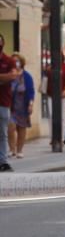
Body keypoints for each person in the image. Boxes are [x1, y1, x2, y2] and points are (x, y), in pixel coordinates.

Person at [0, 34, 23, 171]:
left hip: (3, 102)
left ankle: (2, 160)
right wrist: (4, 78)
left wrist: (5, 78)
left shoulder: (8, 61)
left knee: (3, 132)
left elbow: (14, 75)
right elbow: (10, 76)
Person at [7, 53, 34, 158]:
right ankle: (11, 149)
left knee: (21, 128)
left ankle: (19, 150)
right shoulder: (10, 74)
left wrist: (30, 104)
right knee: (11, 127)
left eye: (17, 61)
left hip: (23, 105)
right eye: (13, 61)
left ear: (21, 63)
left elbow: (31, 92)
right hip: (11, 106)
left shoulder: (27, 76)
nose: (15, 63)